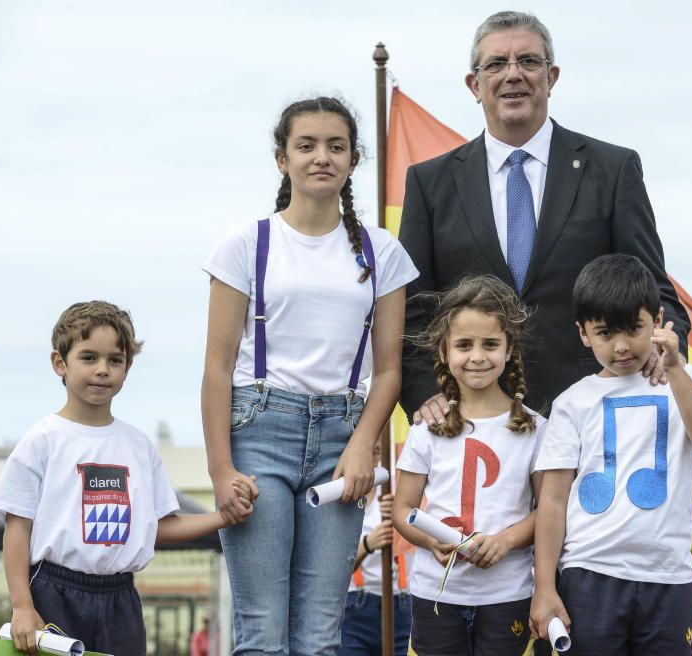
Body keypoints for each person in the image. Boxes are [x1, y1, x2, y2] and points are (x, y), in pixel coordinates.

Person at [201, 96, 418, 655]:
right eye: (306, 145)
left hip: (341, 436)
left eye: (336, 146)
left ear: (353, 159)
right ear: (282, 159)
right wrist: (221, 469)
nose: (321, 156)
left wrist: (364, 444)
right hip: (259, 428)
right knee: (262, 630)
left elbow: (389, 369)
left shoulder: (382, 251)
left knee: (321, 632)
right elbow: (217, 368)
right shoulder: (247, 243)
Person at [399, 10, 690, 425]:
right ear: (474, 85)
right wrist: (423, 392)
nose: (513, 74)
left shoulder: (612, 170)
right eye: (496, 64)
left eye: (529, 62)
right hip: (472, 421)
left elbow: (653, 288)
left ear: (551, 77)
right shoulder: (430, 183)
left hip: (593, 416)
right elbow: (413, 308)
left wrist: (666, 345)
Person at [0, 301, 252, 656]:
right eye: (89, 357)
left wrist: (223, 516)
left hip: (121, 599)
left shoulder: (139, 446)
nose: (102, 369)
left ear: (127, 367)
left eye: (115, 359)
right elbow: (17, 527)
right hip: (53, 593)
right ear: (59, 363)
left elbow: (157, 527)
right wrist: (22, 606)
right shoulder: (42, 440)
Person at [530, 254, 692, 656]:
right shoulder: (573, 402)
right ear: (583, 333)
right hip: (589, 575)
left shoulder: (686, 379)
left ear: (657, 320)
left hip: (669, 579)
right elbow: (551, 500)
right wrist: (545, 587)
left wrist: (675, 370)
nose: (621, 346)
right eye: (604, 333)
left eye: (634, 329)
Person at [393, 275, 545, 656]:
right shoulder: (426, 429)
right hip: (435, 595)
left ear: (510, 349)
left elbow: (549, 511)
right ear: (444, 352)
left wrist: (505, 541)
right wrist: (430, 540)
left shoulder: (537, 430)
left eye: (490, 344)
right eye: (464, 345)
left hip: (508, 594)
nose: (477, 356)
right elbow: (402, 509)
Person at [339, 486, 412, 656]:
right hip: (355, 605)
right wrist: (367, 545)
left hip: (402, 604)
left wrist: (402, 512)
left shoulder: (394, 489)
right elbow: (332, 568)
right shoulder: (341, 498)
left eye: (374, 456)